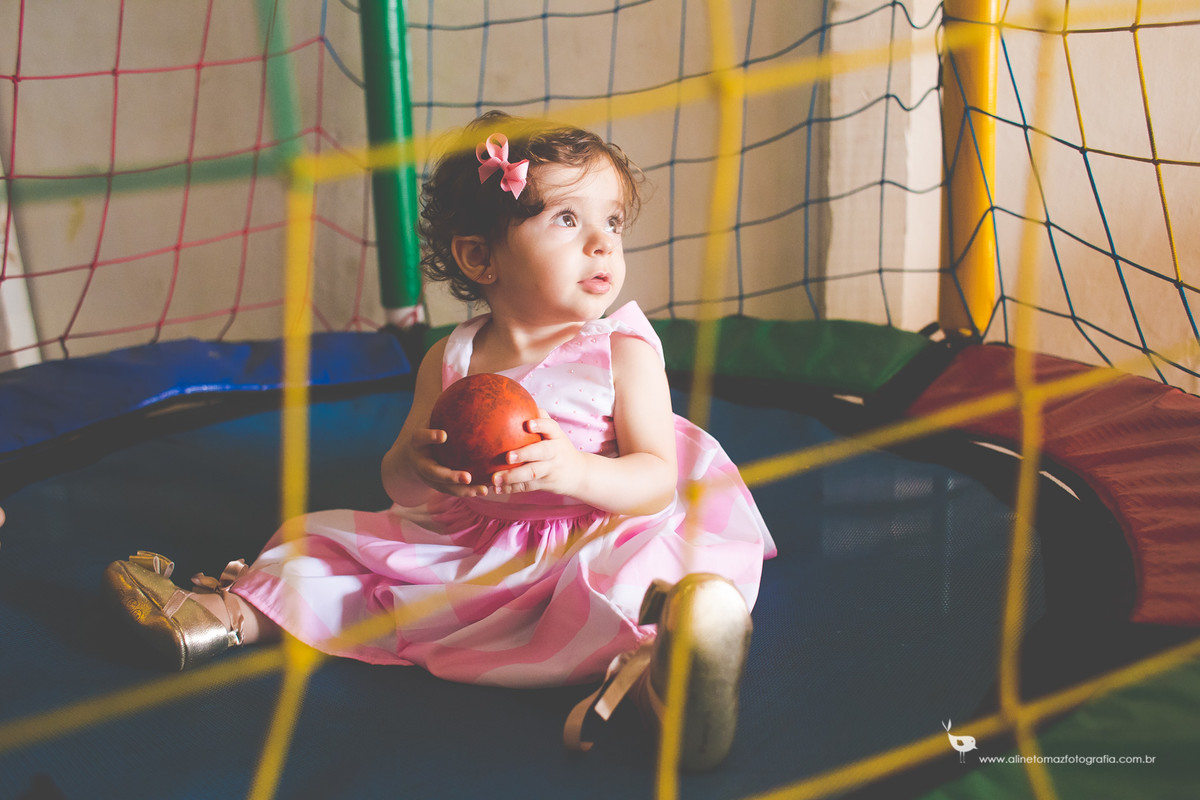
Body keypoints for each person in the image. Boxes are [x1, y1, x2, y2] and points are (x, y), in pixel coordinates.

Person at [103, 111, 776, 770]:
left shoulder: (620, 353)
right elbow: (399, 484)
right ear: (480, 255)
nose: (602, 244)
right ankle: (223, 617)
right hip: (476, 544)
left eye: (613, 223)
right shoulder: (452, 358)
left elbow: (657, 477)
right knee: (336, 559)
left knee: (630, 592)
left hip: (598, 530)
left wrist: (572, 472)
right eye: (568, 220)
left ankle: (669, 679)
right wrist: (416, 461)